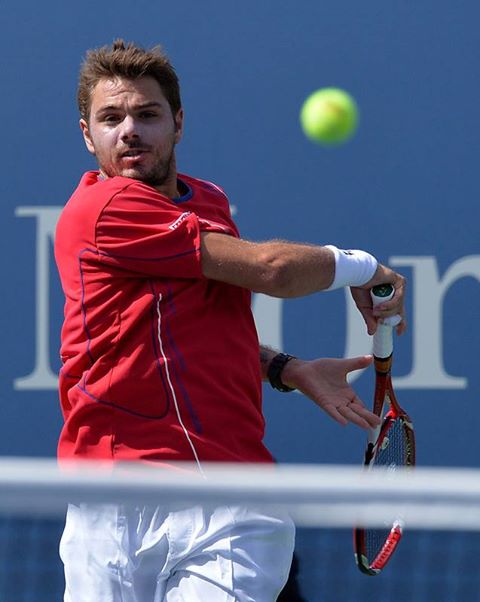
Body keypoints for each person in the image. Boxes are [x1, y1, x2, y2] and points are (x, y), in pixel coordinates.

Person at [54, 39, 406, 602]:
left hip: (227, 503)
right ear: (86, 133)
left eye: (147, 115)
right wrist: (364, 268)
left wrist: (286, 368)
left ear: (178, 123)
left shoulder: (208, 201)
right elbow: (271, 270)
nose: (129, 131)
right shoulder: (102, 210)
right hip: (109, 507)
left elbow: (196, 327)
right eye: (111, 118)